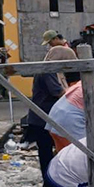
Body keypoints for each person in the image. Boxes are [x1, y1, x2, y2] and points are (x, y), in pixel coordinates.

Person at [26, 46, 77, 177]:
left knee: (53, 150)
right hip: (42, 118)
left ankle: (54, 177)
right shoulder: (48, 70)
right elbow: (58, 92)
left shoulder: (55, 71)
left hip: (48, 117)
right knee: (46, 152)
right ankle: (49, 180)